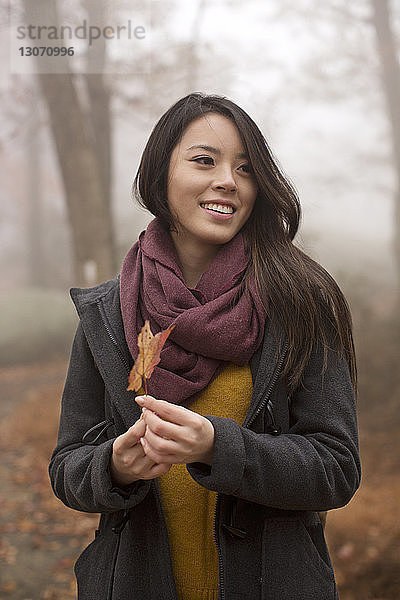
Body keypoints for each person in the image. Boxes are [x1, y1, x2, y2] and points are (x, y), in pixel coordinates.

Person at [49, 92, 361, 600]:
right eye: (204, 160)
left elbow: (336, 468)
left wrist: (219, 447)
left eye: (245, 168)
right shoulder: (107, 313)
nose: (227, 181)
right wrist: (115, 465)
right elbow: (67, 467)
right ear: (160, 173)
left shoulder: (301, 301)